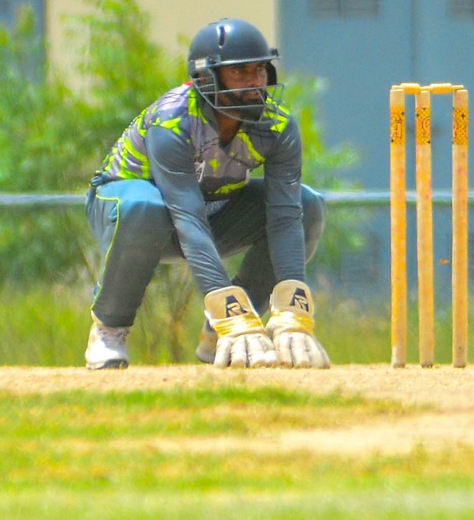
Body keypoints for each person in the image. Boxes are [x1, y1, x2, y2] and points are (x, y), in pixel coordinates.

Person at [83, 18, 331, 370]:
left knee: (308, 205)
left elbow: (286, 216)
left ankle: (223, 330)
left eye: (259, 70)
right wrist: (224, 303)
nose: (254, 83)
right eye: (239, 72)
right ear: (205, 78)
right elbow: (187, 216)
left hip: (210, 211)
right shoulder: (172, 122)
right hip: (129, 215)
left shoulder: (277, 126)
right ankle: (109, 329)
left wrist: (293, 310)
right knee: (144, 206)